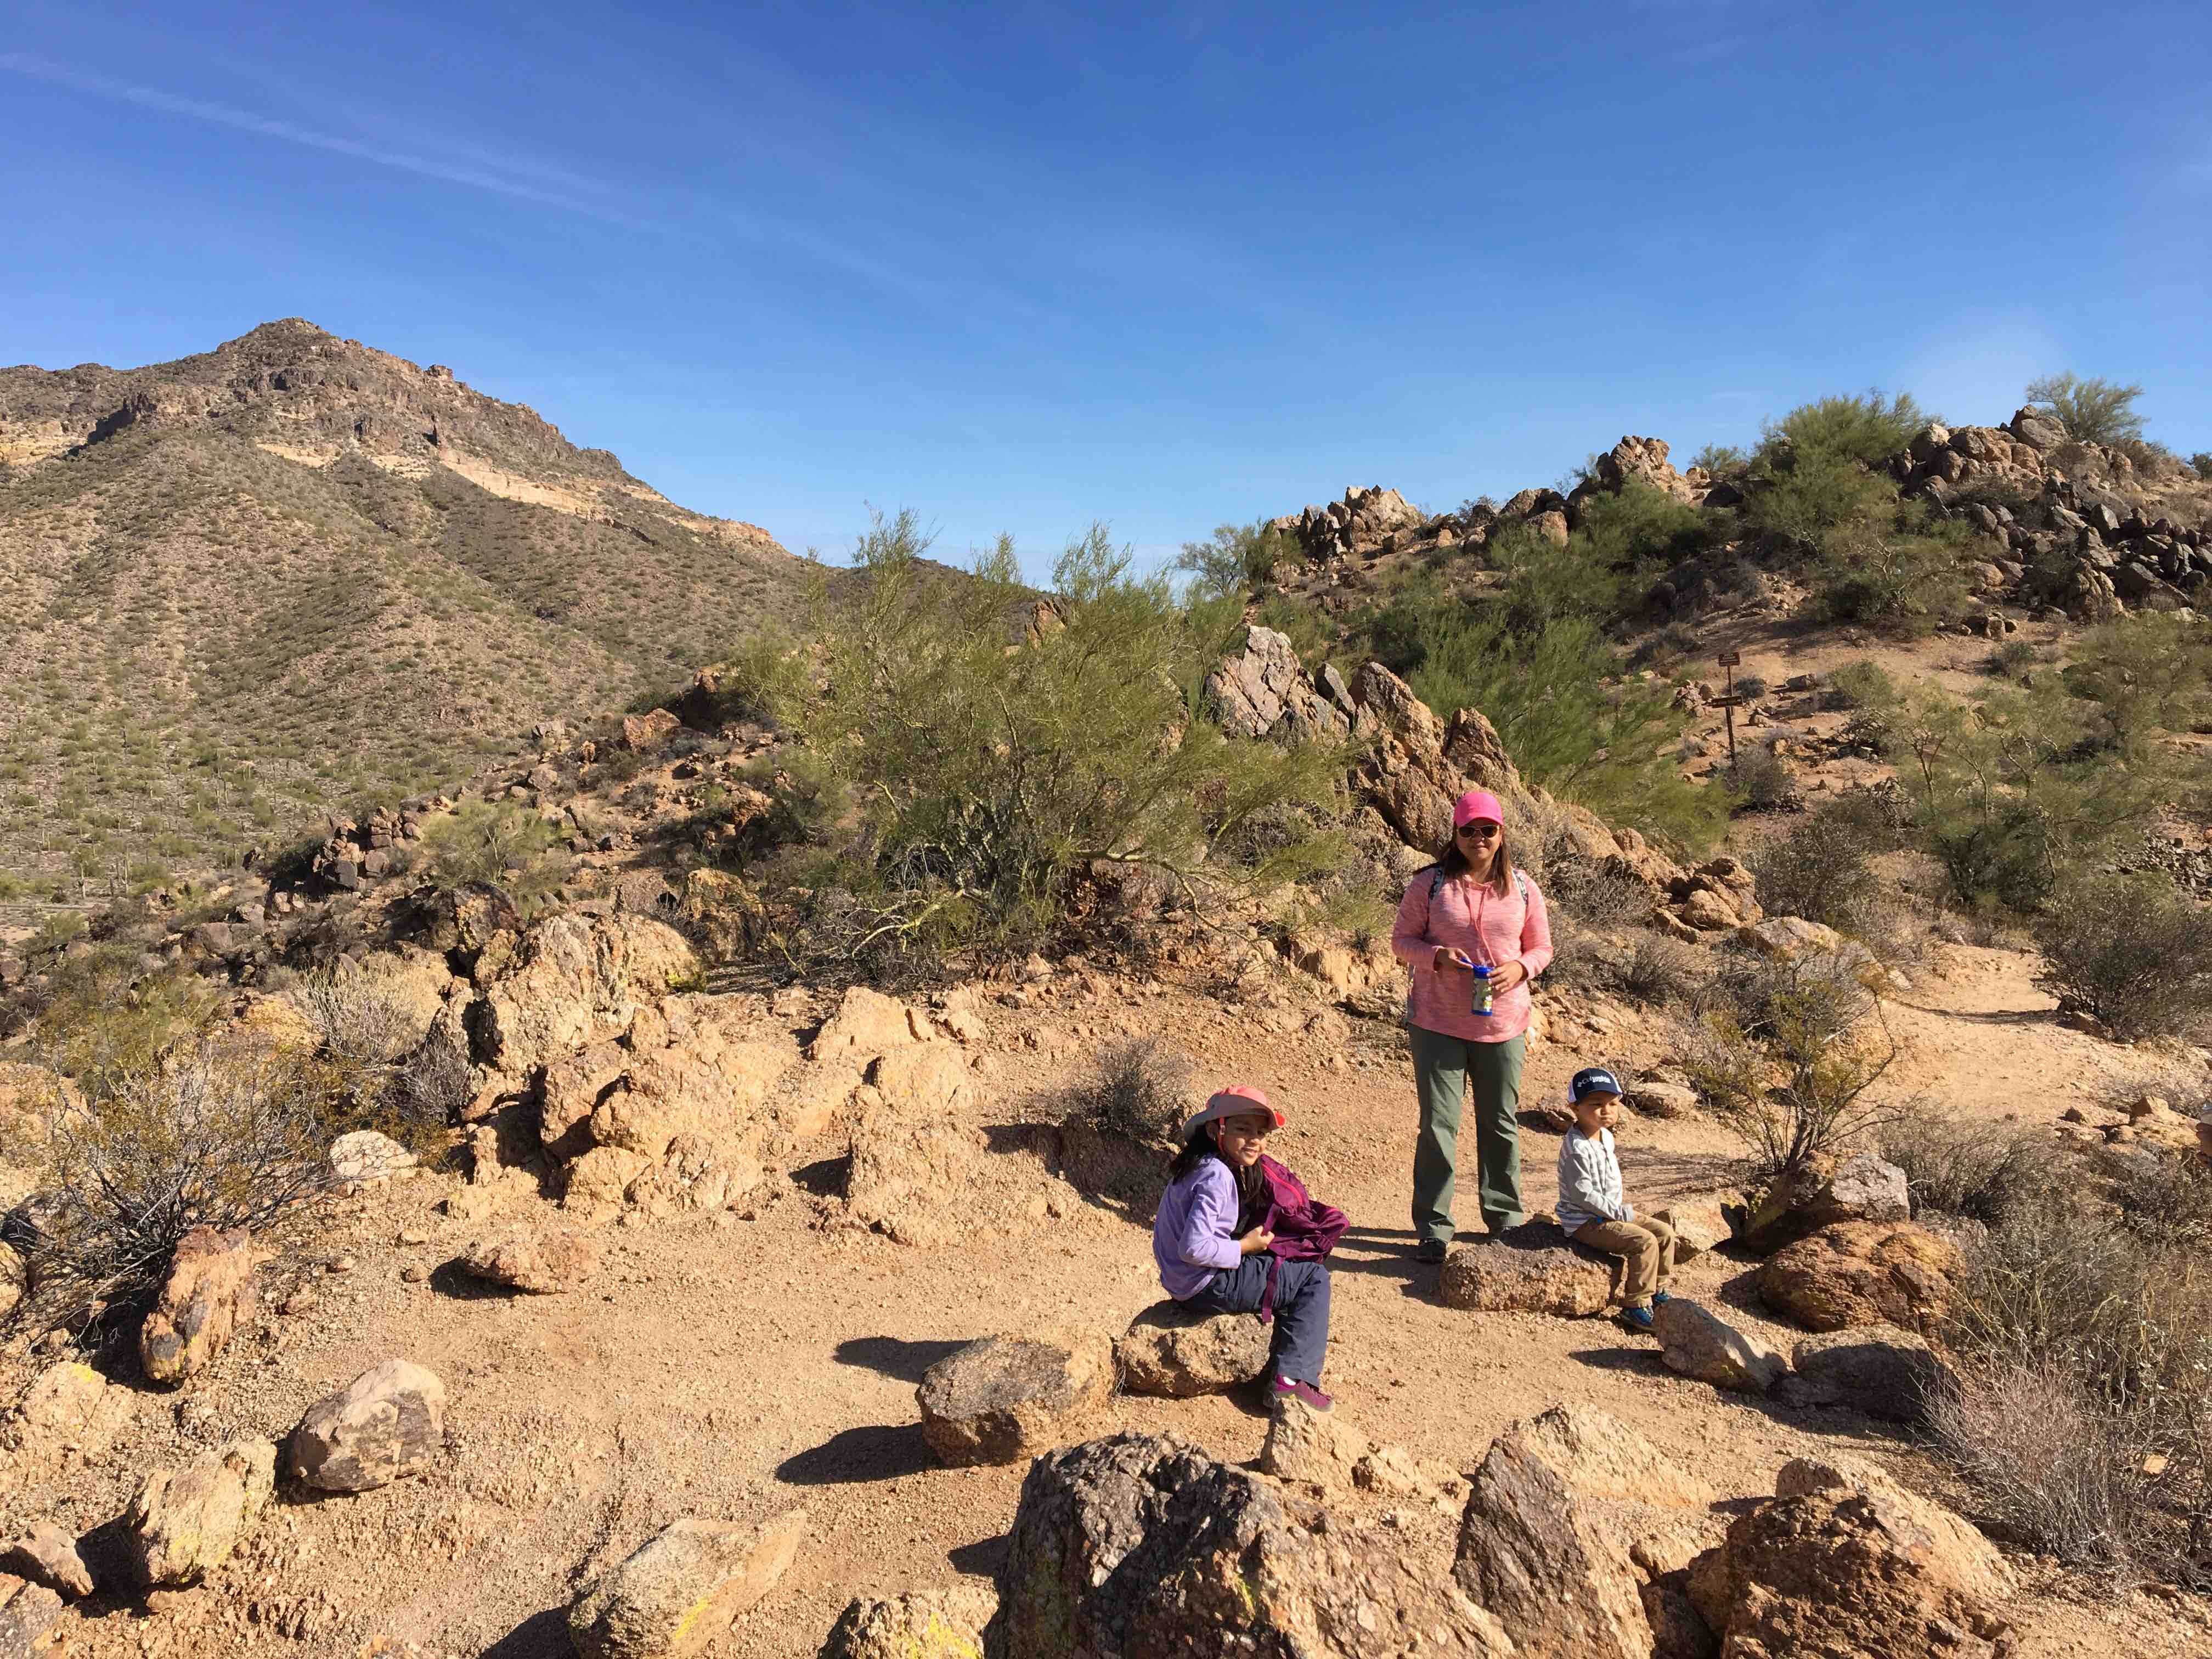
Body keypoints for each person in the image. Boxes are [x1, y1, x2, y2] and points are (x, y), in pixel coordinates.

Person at [1391, 788, 1554, 1263]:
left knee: (1500, 1124)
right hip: (1437, 1021)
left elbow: (1542, 948)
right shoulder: (1430, 884)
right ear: (1455, 834)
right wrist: (1436, 956)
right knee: (1439, 1126)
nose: (1479, 838)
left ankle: (1505, 1219)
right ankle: (1434, 1227)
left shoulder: (1524, 887)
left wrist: (1521, 968)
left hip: (1502, 1025)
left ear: (1502, 833)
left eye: (1488, 829)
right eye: (1469, 830)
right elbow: (1401, 942)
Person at [1152, 1085, 1336, 1410]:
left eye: (1261, 1133)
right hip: (1207, 1284)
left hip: (1180, 1282)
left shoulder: (1192, 1166)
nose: (1255, 1140)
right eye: (1242, 1129)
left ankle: (1278, 1367)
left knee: (1284, 1271)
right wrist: (1245, 1247)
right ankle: (1293, 1381)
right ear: (1215, 1130)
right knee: (1312, 1279)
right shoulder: (1217, 1176)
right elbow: (1194, 1248)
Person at [1556, 1066, 1677, 1333]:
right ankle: (1635, 1305)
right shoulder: (1578, 1148)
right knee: (1643, 1242)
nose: (1606, 1110)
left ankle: (1657, 1290)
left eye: (1612, 1104)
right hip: (1586, 1221)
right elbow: (1583, 1194)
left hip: (1611, 1212)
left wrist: (1619, 1211)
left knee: (1664, 1233)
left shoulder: (1606, 1137)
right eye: (1596, 1104)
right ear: (1575, 1107)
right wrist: (1619, 1213)